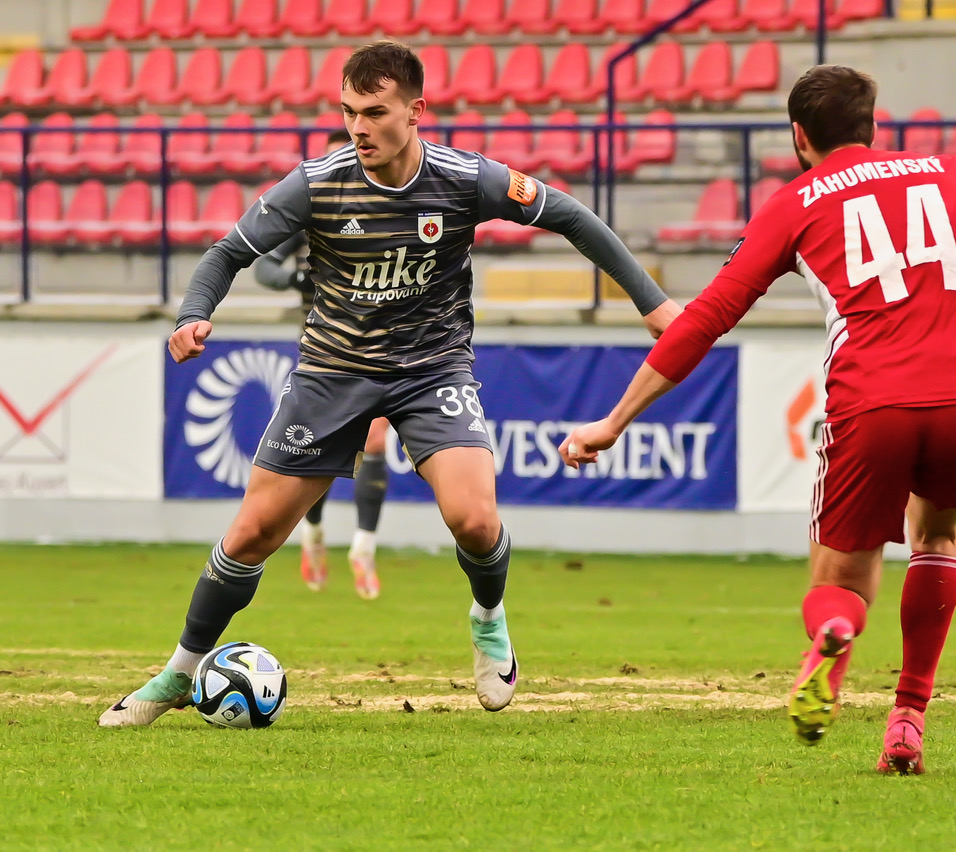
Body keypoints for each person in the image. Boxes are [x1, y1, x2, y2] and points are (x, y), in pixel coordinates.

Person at [101, 40, 679, 727]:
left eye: (374, 112)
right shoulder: (317, 182)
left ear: (417, 111)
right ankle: (176, 676)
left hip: (432, 370)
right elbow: (227, 254)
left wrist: (654, 304)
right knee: (252, 532)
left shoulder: (467, 179)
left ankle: (489, 621)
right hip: (332, 371)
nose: (358, 127)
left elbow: (571, 216)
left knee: (475, 519)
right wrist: (195, 316)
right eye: (348, 112)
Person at [559, 65, 956, 774]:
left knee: (837, 578)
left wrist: (615, 420)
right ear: (874, 126)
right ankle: (907, 716)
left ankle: (836, 634)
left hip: (873, 402)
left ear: (798, 136)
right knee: (936, 533)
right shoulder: (950, 172)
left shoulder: (795, 203)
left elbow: (706, 320)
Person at [254, 129, 388, 600]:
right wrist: (297, 277)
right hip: (325, 346)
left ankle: (363, 547)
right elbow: (263, 264)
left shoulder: (389, 204)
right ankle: (312, 532)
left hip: (385, 344)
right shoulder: (314, 203)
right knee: (326, 449)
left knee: (374, 438)